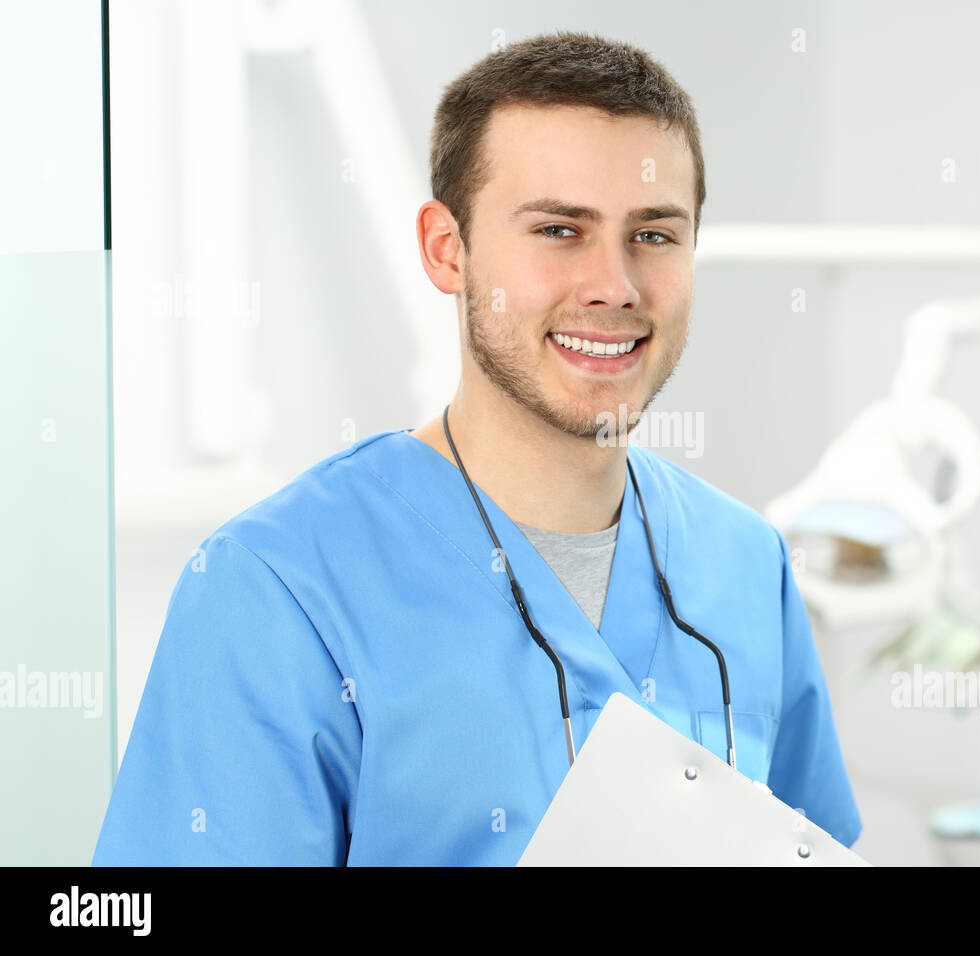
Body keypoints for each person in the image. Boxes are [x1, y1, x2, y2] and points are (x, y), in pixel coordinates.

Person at [93, 30, 861, 866]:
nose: (614, 285)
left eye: (654, 235)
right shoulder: (277, 589)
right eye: (560, 230)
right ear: (446, 248)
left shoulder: (745, 564)